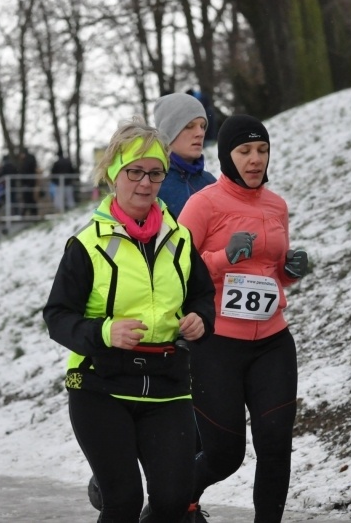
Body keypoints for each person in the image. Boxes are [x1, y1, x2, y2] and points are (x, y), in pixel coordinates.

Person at [43, 116, 215, 523]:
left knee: (174, 501)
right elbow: (57, 317)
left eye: (155, 173)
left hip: (167, 383)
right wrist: (105, 330)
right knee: (121, 502)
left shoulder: (179, 237)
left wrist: (198, 318)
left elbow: (203, 295)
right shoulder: (88, 244)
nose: (145, 183)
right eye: (134, 171)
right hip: (101, 386)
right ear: (113, 175)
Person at [178, 115, 308, 522]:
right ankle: (172, 500)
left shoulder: (276, 205)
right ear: (227, 156)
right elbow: (174, 270)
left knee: (275, 444)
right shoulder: (204, 204)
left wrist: (291, 270)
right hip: (217, 343)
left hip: (272, 341)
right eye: (245, 151)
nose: (255, 160)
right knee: (223, 455)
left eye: (262, 150)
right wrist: (221, 258)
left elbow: (271, 270)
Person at [153, 93, 217, 219]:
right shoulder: (151, 185)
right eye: (189, 126)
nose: (200, 133)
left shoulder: (211, 183)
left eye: (202, 126)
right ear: (168, 131)